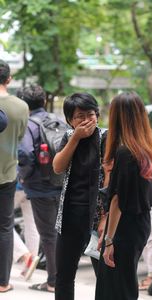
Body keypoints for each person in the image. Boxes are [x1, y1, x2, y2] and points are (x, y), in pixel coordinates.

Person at [95, 91, 152, 300]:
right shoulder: (146, 147)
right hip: (138, 224)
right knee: (122, 283)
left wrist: (108, 239)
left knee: (116, 288)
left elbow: (117, 200)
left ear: (117, 117)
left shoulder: (126, 153)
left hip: (124, 228)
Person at [53, 92, 106, 300]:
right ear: (69, 120)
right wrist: (75, 137)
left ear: (98, 115)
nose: (85, 120)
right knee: (64, 275)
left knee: (104, 276)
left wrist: (105, 217)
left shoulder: (106, 137)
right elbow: (57, 167)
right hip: (70, 216)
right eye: (79, 116)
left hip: (97, 219)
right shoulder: (68, 137)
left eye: (90, 114)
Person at [17, 85, 61, 293]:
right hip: (61, 183)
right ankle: (61, 276)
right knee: (60, 232)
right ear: (43, 101)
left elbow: (24, 155)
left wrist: (24, 177)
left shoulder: (29, 125)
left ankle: (53, 281)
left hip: (40, 186)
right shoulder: (57, 121)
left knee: (48, 234)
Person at [0, 59, 29, 293]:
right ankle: (3, 282)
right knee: (4, 227)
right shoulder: (21, 107)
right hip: (7, 173)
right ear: (9, 79)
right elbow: (19, 139)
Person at [13, 181, 40, 281]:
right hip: (32, 185)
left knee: (3, 224)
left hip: (14, 184)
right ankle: (29, 265)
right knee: (32, 224)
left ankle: (25, 255)